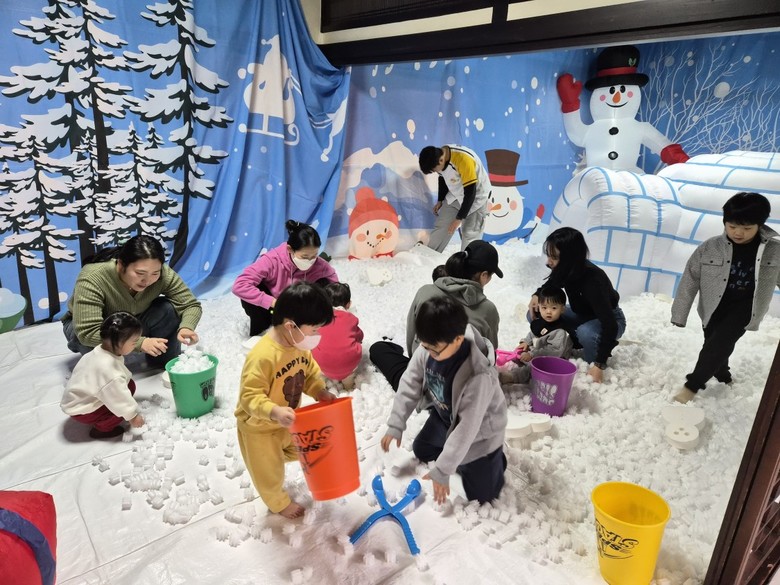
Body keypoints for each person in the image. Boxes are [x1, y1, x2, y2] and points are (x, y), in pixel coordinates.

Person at [380, 296, 507, 505]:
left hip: (480, 433)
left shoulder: (478, 376)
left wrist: (443, 470)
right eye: (425, 346)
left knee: (483, 495)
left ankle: (494, 458)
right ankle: (458, 455)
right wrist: (396, 424)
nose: (428, 353)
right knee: (422, 450)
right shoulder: (430, 346)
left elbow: (467, 428)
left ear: (457, 339)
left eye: (434, 349)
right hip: (444, 417)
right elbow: (410, 382)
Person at [235, 282, 337, 519]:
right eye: (314, 330)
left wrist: (319, 391)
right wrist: (274, 411)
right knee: (268, 471)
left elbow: (309, 374)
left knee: (306, 447)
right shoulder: (263, 356)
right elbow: (249, 397)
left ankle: (280, 453)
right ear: (291, 326)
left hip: (286, 419)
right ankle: (278, 503)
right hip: (259, 427)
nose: (317, 336)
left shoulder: (298, 345)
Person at [671, 192, 779, 403]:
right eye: (732, 226)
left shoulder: (775, 251)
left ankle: (691, 386)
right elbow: (690, 279)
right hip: (713, 305)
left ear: (760, 225)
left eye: (746, 228)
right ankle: (723, 375)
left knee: (720, 342)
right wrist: (679, 313)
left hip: (747, 307)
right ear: (725, 222)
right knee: (713, 341)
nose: (738, 232)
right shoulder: (710, 247)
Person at [370, 240, 502, 391]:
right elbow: (489, 355)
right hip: (462, 393)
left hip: (420, 384)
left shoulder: (425, 292)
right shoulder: (488, 310)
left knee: (379, 348)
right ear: (484, 275)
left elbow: (412, 337)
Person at [62, 235, 201, 368]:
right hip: (95, 328)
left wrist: (187, 327)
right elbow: (88, 331)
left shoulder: (163, 274)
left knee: (168, 309)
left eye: (155, 273)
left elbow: (190, 304)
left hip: (132, 320)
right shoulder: (93, 277)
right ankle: (109, 361)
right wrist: (139, 343)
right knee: (102, 368)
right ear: (121, 264)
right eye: (140, 273)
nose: (147, 280)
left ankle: (160, 359)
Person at [529, 227, 625, 383]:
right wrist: (537, 294)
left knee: (586, 332)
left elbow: (610, 324)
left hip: (610, 320)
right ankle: (558, 345)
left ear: (569, 258)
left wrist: (599, 364)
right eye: (548, 256)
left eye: (554, 257)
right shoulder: (566, 269)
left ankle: (592, 360)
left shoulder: (593, 281)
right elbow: (552, 283)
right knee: (537, 311)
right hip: (580, 314)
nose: (548, 262)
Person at [232, 220, 338, 336]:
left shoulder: (318, 264)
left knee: (325, 283)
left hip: (300, 310)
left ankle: (314, 326)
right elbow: (239, 285)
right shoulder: (271, 260)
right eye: (305, 256)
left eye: (314, 256)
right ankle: (260, 333)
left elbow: (335, 284)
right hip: (273, 309)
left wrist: (339, 303)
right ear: (290, 249)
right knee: (251, 295)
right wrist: (273, 302)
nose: (310, 261)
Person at [61, 312, 146, 439]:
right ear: (120, 343)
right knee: (120, 406)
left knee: (129, 385)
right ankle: (102, 429)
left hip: (79, 399)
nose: (136, 345)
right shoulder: (108, 370)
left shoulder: (98, 351)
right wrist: (132, 416)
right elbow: (118, 399)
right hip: (80, 410)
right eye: (134, 342)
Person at [419, 145, 491, 252]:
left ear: (441, 160)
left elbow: (470, 192)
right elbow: (442, 177)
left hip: (476, 196)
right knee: (443, 225)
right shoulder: (439, 156)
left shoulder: (463, 160)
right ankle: (429, 254)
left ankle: (468, 260)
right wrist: (440, 200)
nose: (435, 172)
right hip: (456, 193)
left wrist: (459, 218)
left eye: (434, 170)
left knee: (469, 233)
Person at [499, 285, 573, 385]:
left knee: (532, 368)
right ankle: (523, 363)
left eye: (554, 308)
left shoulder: (559, 331)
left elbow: (553, 352)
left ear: (562, 309)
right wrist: (526, 342)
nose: (548, 311)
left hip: (553, 359)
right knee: (519, 353)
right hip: (538, 351)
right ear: (539, 307)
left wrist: (532, 354)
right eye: (544, 307)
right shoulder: (541, 321)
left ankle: (514, 376)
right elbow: (533, 333)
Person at [312, 282, 364, 390]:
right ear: (348, 304)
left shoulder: (318, 317)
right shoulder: (351, 319)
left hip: (322, 365)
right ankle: (348, 385)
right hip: (348, 366)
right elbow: (360, 336)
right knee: (356, 347)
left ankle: (321, 381)